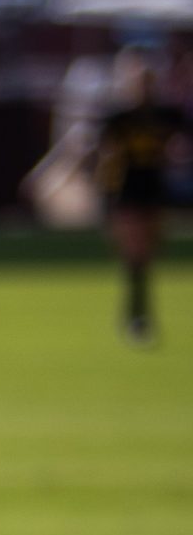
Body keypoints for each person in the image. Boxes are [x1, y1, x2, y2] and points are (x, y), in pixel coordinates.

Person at [96, 47, 186, 345]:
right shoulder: (119, 118)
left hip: (156, 191)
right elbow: (104, 157)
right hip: (128, 192)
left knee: (150, 254)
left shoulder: (168, 115)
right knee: (135, 256)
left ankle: (139, 315)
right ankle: (137, 316)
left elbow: (181, 143)